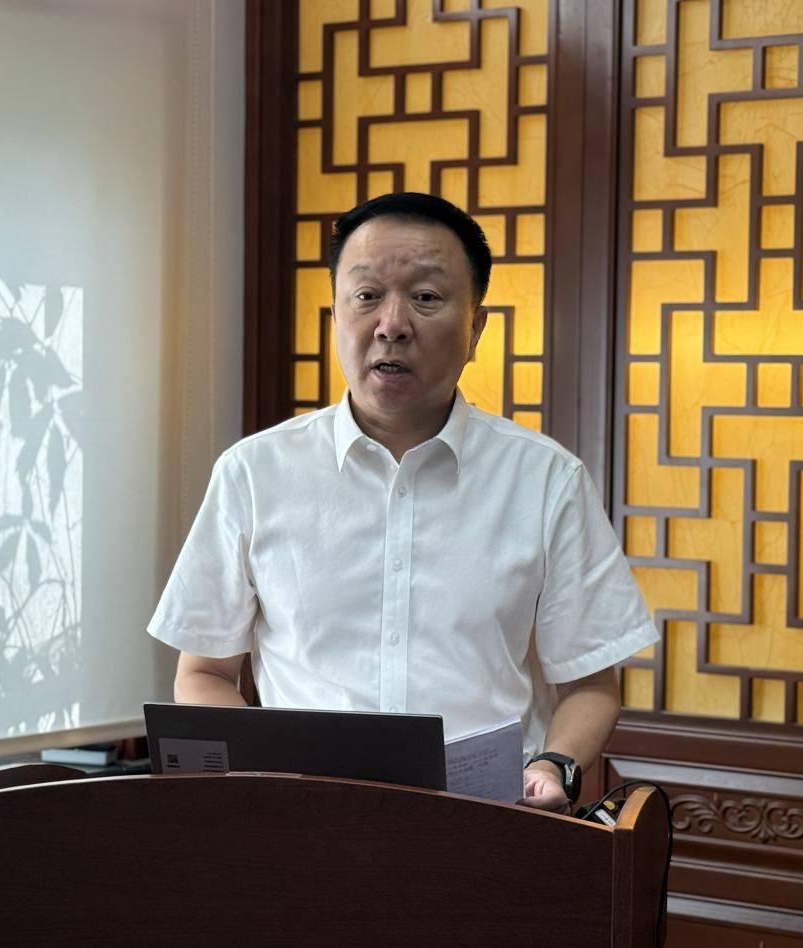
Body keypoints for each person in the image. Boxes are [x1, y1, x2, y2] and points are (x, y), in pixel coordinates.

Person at [147, 192, 656, 811]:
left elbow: (590, 684)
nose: (392, 324)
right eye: (366, 295)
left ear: (475, 329)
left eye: (427, 297)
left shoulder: (546, 479)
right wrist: (264, 778)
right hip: (301, 823)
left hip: (488, 822)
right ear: (335, 315)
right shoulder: (253, 473)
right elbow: (203, 672)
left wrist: (555, 766)